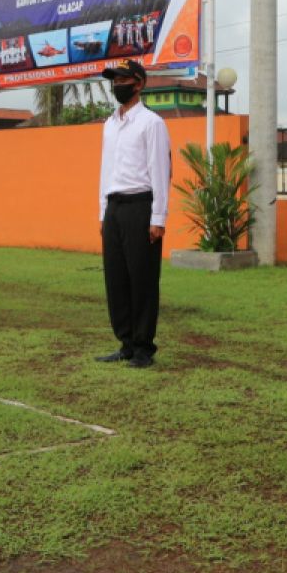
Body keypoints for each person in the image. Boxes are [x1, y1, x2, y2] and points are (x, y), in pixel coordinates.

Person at [94, 59, 171, 369]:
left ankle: (143, 347)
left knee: (142, 279)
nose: (117, 85)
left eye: (124, 79)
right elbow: (106, 170)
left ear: (139, 83)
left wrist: (158, 218)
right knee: (116, 279)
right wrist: (103, 212)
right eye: (114, 80)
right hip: (114, 207)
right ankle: (125, 342)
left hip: (141, 205)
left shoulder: (152, 123)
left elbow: (160, 171)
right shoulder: (109, 124)